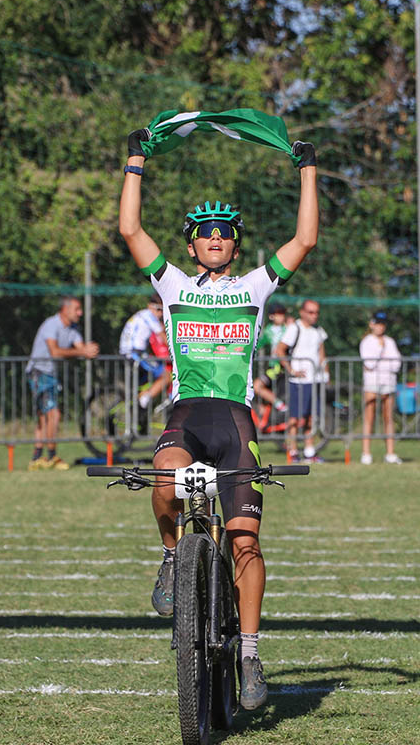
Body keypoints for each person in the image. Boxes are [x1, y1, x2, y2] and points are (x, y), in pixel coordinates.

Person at [120, 126, 318, 711]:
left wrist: (305, 168)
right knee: (163, 481)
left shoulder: (256, 287)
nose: (214, 241)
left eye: (224, 235)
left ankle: (251, 653)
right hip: (187, 415)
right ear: (191, 247)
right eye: (205, 235)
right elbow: (130, 229)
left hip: (235, 425)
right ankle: (170, 557)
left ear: (234, 247)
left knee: (246, 543)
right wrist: (136, 160)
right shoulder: (173, 284)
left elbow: (305, 237)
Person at [26, 297, 100, 470]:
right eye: (77, 309)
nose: (80, 313)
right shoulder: (51, 324)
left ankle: (37, 457)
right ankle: (51, 456)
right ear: (65, 310)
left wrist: (89, 350)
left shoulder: (73, 329)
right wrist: (82, 351)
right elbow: (55, 352)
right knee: (53, 414)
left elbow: (81, 348)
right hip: (39, 372)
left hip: (51, 375)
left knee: (44, 416)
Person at [275, 299, 328, 463]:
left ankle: (309, 451)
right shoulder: (294, 328)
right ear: (303, 312)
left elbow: (321, 353)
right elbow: (280, 350)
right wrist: (291, 370)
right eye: (311, 312)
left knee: (311, 417)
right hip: (298, 381)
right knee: (295, 418)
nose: (314, 316)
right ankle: (293, 451)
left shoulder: (318, 330)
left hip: (314, 379)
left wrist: (325, 373)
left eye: (317, 312)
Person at [359, 310, 403, 465]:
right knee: (369, 418)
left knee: (388, 419)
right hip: (372, 383)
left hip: (388, 382)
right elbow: (369, 363)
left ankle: (390, 453)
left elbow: (396, 364)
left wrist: (383, 359)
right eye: (378, 323)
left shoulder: (390, 341)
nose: (380, 327)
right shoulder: (367, 342)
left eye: (383, 324)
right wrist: (381, 351)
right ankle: (366, 453)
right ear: (372, 324)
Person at [118, 294, 171, 410]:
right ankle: (143, 400)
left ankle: (142, 400)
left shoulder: (141, 314)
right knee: (167, 376)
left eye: (163, 310)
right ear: (149, 306)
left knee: (148, 380)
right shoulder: (149, 316)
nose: (160, 313)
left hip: (128, 353)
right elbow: (163, 337)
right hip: (135, 354)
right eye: (158, 309)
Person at [251, 303, 291, 415]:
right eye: (278, 313)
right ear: (271, 316)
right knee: (259, 395)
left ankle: (281, 406)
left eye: (283, 313)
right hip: (272, 366)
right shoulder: (269, 330)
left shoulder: (288, 329)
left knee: (257, 386)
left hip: (279, 367)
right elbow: (259, 344)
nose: (281, 316)